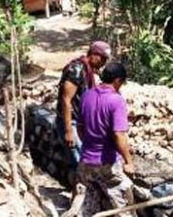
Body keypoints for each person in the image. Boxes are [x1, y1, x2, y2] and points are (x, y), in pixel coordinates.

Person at [77, 62, 135, 217]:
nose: (121, 86)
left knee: (89, 206)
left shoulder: (86, 95)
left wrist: (90, 145)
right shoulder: (116, 101)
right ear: (117, 80)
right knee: (123, 207)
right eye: (122, 82)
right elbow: (118, 135)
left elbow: (80, 128)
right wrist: (128, 161)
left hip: (85, 162)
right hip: (106, 163)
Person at [56, 41, 111, 204]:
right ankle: (79, 204)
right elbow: (66, 100)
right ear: (93, 55)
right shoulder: (76, 70)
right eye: (102, 58)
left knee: (83, 163)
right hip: (70, 122)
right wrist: (68, 131)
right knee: (81, 163)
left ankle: (80, 200)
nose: (103, 63)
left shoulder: (87, 71)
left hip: (79, 123)